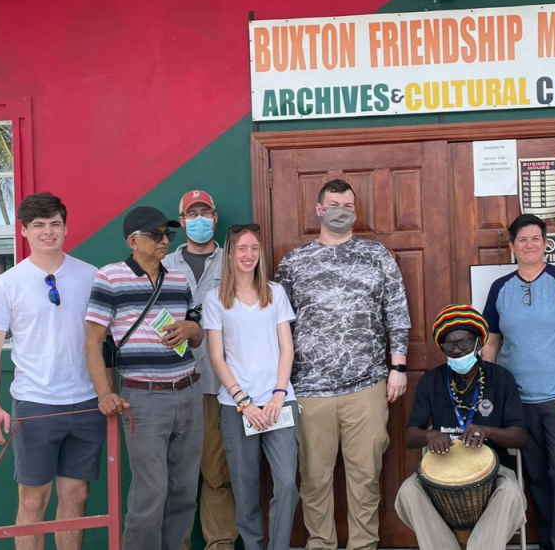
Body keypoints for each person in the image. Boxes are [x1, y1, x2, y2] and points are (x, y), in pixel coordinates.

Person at [274, 179, 411, 550]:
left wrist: (398, 368)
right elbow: (278, 325)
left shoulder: (377, 256)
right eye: (334, 204)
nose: (341, 210)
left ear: (355, 210)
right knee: (314, 479)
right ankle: (320, 543)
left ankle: (364, 545)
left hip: (366, 386)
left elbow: (396, 314)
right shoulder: (293, 262)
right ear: (319, 210)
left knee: (366, 477)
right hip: (309, 390)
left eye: (348, 205)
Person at [0, 192, 104, 550]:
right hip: (35, 405)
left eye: (55, 224)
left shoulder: (90, 275)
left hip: (85, 403)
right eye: (38, 226)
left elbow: (105, 340)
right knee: (33, 500)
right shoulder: (8, 283)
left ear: (65, 227)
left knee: (76, 497)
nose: (48, 232)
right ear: (24, 232)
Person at [83, 206, 205, 550]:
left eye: (167, 234)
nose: (164, 240)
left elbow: (196, 336)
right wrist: (104, 392)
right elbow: (93, 341)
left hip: (189, 390)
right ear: (133, 241)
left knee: (184, 490)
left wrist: (192, 329)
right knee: (151, 493)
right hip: (144, 397)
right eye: (156, 234)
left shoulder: (179, 279)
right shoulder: (110, 277)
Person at [481, 213, 555, 550]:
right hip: (517, 401)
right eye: (522, 240)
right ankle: (548, 542)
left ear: (546, 243)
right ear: (513, 246)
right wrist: (490, 389)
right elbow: (492, 340)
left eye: (536, 239)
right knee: (537, 476)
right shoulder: (500, 287)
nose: (529, 245)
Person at [396, 304, 528, 550]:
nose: (457, 350)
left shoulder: (501, 378)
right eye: (449, 345)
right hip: (441, 472)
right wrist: (429, 434)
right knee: (408, 492)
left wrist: (488, 431)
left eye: (464, 343)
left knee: (510, 492)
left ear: (478, 342)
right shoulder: (432, 381)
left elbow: (520, 437)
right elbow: (410, 436)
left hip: (494, 471)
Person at [205, 223, 299, 550]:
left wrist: (277, 395)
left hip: (279, 403)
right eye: (242, 249)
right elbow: (217, 357)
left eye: (254, 249)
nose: (249, 255)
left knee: (287, 483)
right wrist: (244, 401)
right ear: (230, 254)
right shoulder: (215, 299)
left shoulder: (275, 293)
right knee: (245, 488)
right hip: (237, 406)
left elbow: (287, 348)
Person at [164, 189, 237, 550]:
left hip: (215, 382)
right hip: (168, 383)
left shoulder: (234, 261)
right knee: (174, 476)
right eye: (191, 213)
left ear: (214, 217)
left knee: (216, 472)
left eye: (204, 212)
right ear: (181, 221)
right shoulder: (163, 265)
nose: (199, 219)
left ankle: (220, 542)